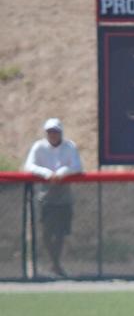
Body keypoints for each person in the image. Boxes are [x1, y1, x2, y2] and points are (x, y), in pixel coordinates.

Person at [24, 118, 82, 277]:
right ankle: (55, 263)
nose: (53, 134)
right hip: (46, 193)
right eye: (50, 132)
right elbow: (29, 165)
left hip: (64, 193)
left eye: (55, 131)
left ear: (61, 132)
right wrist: (47, 174)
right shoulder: (39, 146)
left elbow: (77, 166)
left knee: (61, 232)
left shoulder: (69, 146)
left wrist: (63, 172)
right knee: (47, 232)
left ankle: (55, 264)